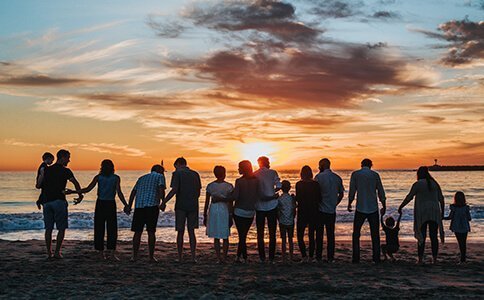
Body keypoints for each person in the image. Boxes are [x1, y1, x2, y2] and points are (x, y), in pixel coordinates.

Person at [66, 159, 128, 260]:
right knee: (112, 229)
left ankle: (101, 253)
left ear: (101, 167)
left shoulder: (99, 177)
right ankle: (111, 254)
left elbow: (87, 189)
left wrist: (73, 191)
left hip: (101, 204)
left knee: (99, 228)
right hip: (110, 204)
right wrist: (126, 204)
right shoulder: (115, 178)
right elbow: (119, 193)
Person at [40, 149, 83, 259]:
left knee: (48, 228)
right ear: (62, 157)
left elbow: (41, 186)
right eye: (68, 157)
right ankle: (57, 252)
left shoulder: (47, 170)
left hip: (47, 202)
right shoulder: (66, 171)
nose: (69, 160)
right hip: (59, 201)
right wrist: (80, 195)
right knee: (61, 228)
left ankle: (49, 253)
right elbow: (76, 182)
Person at [398, 166, 445, 264]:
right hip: (434, 211)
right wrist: (442, 212)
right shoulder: (435, 183)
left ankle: (420, 259)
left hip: (422, 212)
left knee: (421, 236)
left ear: (419, 174)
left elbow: (409, 197)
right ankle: (435, 259)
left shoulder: (418, 184)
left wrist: (401, 206)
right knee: (433, 236)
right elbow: (441, 199)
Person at [162, 157, 202, 263]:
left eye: (175, 167)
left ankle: (180, 257)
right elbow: (198, 192)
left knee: (180, 231)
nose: (175, 169)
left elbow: (174, 190)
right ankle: (193, 257)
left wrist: (164, 201)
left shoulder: (177, 174)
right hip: (193, 205)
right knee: (191, 231)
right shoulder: (195, 174)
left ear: (178, 164)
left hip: (181, 205)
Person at [348, 158, 386, 264]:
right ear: (371, 165)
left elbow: (352, 190)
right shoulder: (375, 175)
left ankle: (356, 258)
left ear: (361, 165)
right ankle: (376, 258)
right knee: (375, 234)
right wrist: (384, 205)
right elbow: (380, 191)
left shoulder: (355, 174)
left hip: (360, 207)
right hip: (373, 207)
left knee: (356, 234)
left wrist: (349, 202)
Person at [126, 164, 166, 262]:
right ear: (159, 170)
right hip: (152, 206)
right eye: (162, 171)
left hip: (139, 206)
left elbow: (133, 192)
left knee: (137, 232)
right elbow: (161, 189)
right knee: (151, 232)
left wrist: (129, 205)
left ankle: (134, 256)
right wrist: (163, 202)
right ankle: (151, 257)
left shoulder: (141, 178)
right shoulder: (160, 176)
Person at [314, 158, 344, 262]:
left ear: (322, 166)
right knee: (331, 235)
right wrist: (335, 203)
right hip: (331, 209)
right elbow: (341, 193)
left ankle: (318, 257)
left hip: (321, 209)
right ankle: (330, 257)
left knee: (319, 235)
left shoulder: (318, 177)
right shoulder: (337, 178)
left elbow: (315, 193)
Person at [203, 165, 234, 264]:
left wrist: (204, 214)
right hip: (224, 209)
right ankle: (224, 257)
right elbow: (230, 202)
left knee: (216, 235)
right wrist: (231, 214)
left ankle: (218, 258)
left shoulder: (210, 186)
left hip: (213, 209)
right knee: (225, 235)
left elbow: (207, 202)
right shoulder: (229, 186)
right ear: (224, 174)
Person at [254, 156, 281, 263]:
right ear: (267, 162)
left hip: (259, 206)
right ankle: (271, 258)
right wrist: (272, 191)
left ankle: (262, 258)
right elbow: (279, 185)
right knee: (272, 232)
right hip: (272, 206)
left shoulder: (255, 174)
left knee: (260, 233)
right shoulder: (273, 172)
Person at [232, 160, 260, 263]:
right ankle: (242, 257)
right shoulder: (256, 181)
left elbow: (235, 197)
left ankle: (241, 257)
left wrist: (224, 197)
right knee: (243, 235)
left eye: (239, 167)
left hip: (239, 211)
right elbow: (259, 195)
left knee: (242, 235)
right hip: (250, 212)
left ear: (242, 169)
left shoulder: (239, 181)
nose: (238, 169)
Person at [295, 165, 321, 262]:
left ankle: (304, 256)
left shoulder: (299, 184)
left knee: (300, 235)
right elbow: (319, 198)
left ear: (301, 174)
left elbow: (298, 199)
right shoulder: (316, 184)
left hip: (302, 211)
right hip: (314, 211)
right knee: (311, 236)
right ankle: (310, 256)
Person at [443, 191, 471, 263]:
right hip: (464, 226)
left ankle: (462, 259)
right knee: (463, 243)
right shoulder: (466, 207)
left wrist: (442, 218)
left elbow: (450, 217)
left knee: (460, 242)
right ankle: (463, 259)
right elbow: (469, 218)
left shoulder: (453, 207)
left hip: (456, 226)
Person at [277, 180, 295, 263]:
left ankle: (284, 257)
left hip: (282, 221)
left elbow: (278, 211)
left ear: (281, 188)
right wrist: (293, 217)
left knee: (283, 240)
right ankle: (291, 256)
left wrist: (279, 219)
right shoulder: (291, 198)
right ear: (290, 188)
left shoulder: (279, 199)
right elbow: (294, 209)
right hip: (290, 221)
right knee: (290, 239)